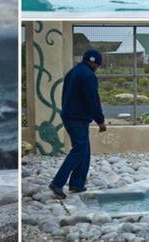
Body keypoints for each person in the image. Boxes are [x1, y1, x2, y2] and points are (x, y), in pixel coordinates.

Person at [48, 49, 106, 199]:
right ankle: (57, 183)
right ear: (93, 63)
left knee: (84, 150)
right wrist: (100, 121)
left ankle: (77, 184)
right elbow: (93, 100)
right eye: (97, 65)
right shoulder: (88, 76)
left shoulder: (73, 72)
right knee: (79, 149)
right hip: (77, 118)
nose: (97, 68)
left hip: (69, 115)